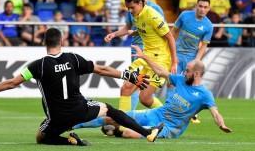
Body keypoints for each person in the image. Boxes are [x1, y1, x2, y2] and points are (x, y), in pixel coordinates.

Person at [0, 28, 162, 146]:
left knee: (41, 138)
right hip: (81, 110)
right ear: (62, 41)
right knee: (109, 109)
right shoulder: (73, 58)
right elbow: (101, 69)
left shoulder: (37, 65)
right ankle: (147, 133)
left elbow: (12, 83)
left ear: (44, 42)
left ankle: (69, 141)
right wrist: (128, 75)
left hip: (57, 117)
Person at [77, 45, 232, 139]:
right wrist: (144, 56)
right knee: (112, 115)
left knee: (130, 134)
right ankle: (75, 124)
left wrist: (222, 125)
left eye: (188, 71)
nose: (184, 73)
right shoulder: (179, 79)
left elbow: (215, 113)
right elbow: (160, 70)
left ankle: (117, 130)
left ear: (197, 74)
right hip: (155, 114)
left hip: (169, 127)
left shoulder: (205, 94)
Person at [105, 0, 177, 111]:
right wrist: (115, 34)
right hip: (145, 56)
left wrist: (174, 61)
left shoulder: (153, 15)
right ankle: (123, 125)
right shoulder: (136, 15)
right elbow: (146, 29)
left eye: (132, 7)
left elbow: (169, 36)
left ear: (140, 3)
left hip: (160, 61)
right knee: (126, 88)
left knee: (145, 98)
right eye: (128, 8)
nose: (130, 11)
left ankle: (166, 118)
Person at [171, 0, 213, 123]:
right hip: (177, 54)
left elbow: (203, 46)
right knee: (172, 82)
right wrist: (171, 52)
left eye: (205, 7)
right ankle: (173, 110)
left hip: (191, 58)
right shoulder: (184, 15)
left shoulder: (208, 26)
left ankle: (191, 111)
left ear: (208, 9)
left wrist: (196, 61)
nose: (202, 9)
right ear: (196, 6)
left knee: (189, 84)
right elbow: (173, 32)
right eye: (200, 6)